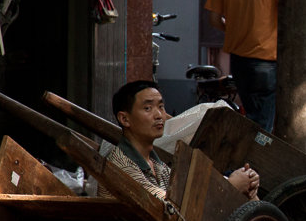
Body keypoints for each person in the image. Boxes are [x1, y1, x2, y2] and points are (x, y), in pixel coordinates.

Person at [107, 80, 259, 201]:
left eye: (161, 106)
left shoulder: (156, 163)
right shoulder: (122, 163)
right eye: (148, 108)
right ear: (124, 119)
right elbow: (167, 207)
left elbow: (182, 192)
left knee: (247, 197)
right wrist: (230, 187)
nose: (159, 115)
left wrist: (243, 182)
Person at [204, 0, 279, 133]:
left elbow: (214, 19)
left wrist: (237, 28)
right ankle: (252, 164)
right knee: (263, 125)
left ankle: (247, 163)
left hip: (238, 61)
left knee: (252, 117)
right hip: (267, 60)